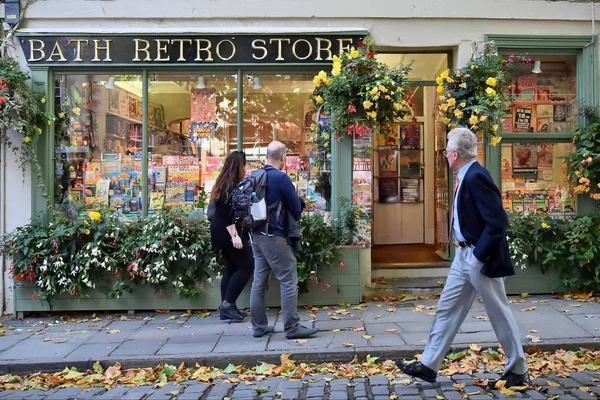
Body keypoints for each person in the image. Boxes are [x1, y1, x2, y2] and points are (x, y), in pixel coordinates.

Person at [396, 128, 529, 389]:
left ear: (455, 153)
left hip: (478, 256)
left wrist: (479, 256)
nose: (445, 153)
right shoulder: (465, 175)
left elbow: (498, 221)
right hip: (463, 256)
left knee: (499, 313)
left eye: (447, 149)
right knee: (447, 308)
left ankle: (518, 370)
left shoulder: (477, 176)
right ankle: (428, 365)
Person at [250, 141, 318, 339]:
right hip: (274, 235)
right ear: (282, 157)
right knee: (288, 278)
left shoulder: (255, 175)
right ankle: (291, 327)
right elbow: (295, 209)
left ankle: (259, 326)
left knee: (259, 280)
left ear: (266, 156)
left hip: (255, 235)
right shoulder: (281, 178)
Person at [209, 151, 254, 321]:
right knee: (247, 265)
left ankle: (227, 307)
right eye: (244, 165)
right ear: (238, 166)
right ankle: (227, 304)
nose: (245, 168)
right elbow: (226, 213)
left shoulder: (223, 182)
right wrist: (235, 236)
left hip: (219, 232)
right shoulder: (230, 185)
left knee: (231, 268)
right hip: (227, 232)